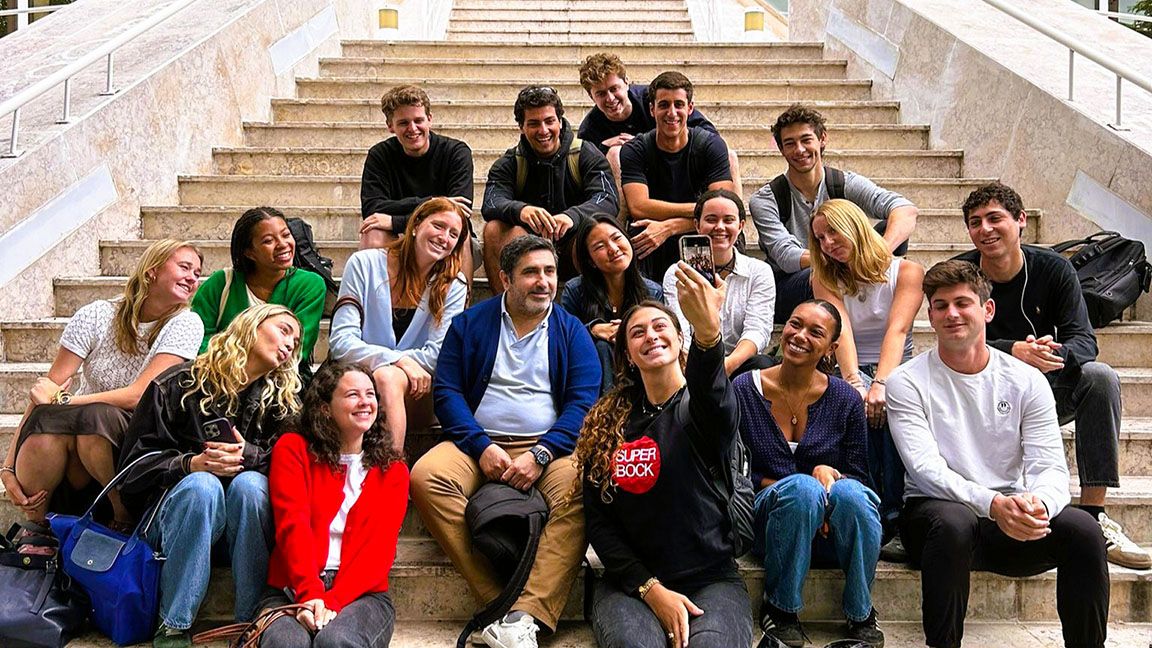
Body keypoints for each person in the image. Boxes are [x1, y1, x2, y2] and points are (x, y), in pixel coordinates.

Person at [887, 260, 1109, 648]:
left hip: (1010, 516)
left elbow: (1049, 466)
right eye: (941, 306)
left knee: (1085, 530)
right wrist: (993, 504)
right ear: (930, 316)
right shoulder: (906, 382)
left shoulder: (1026, 380)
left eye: (962, 303)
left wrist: (1039, 505)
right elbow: (924, 469)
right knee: (953, 523)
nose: (951, 314)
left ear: (987, 310)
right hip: (936, 515)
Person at [410, 235, 600, 648]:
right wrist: (481, 446)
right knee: (426, 476)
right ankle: (502, 606)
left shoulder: (571, 331)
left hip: (551, 448)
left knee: (582, 487)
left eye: (550, 272)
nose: (543, 282)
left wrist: (542, 452)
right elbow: (447, 393)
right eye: (531, 272)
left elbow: (584, 402)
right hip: (475, 444)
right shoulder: (469, 325)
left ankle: (526, 613)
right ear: (505, 278)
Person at [952, 182, 1147, 570]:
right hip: (980, 395)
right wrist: (1013, 351)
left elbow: (1084, 340)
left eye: (995, 218)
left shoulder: (1054, 269)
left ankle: (1094, 516)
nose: (985, 229)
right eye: (975, 222)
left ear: (1021, 220)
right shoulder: (962, 272)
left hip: (1044, 388)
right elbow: (953, 344)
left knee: (1100, 378)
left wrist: (1050, 354)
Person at [574, 267, 752, 648]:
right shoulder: (606, 423)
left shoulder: (703, 408)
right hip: (632, 584)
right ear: (627, 354)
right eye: (637, 332)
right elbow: (600, 523)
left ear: (679, 338)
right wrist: (651, 589)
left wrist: (708, 335)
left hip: (711, 578)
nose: (651, 336)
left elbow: (712, 389)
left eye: (660, 327)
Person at [116, 304, 304, 648]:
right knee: (202, 487)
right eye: (284, 330)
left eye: (296, 340)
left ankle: (249, 619)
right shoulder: (177, 384)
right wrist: (189, 465)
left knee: (250, 485)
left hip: (246, 533)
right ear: (251, 326)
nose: (291, 343)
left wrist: (249, 455)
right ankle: (174, 624)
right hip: (175, 528)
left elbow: (297, 472)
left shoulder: (284, 404)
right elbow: (131, 471)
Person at [0, 240, 203, 540]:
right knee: (49, 425)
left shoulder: (186, 323)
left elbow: (138, 396)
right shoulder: (96, 315)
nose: (192, 278)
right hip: (83, 445)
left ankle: (123, 515)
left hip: (133, 444)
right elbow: (45, 393)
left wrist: (66, 401)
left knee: (94, 418)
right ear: (152, 270)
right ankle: (39, 527)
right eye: (185, 267)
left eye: (197, 273)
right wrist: (7, 468)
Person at [733, 300, 883, 648]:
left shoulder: (845, 399)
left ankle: (861, 611)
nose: (800, 336)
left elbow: (859, 474)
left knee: (852, 494)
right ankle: (781, 608)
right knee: (801, 490)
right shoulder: (744, 389)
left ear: (831, 348)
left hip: (832, 531)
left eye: (815, 332)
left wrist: (830, 480)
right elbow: (735, 473)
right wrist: (804, 491)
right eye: (794, 324)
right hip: (769, 525)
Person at [259, 361, 408, 648]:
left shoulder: (393, 471)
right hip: (290, 588)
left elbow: (379, 553)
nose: (365, 402)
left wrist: (330, 602)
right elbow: (292, 525)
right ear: (325, 408)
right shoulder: (293, 449)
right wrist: (310, 594)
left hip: (362, 595)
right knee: (285, 643)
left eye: (370, 394)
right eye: (353, 394)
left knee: (336, 641)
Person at [809, 198, 924, 559]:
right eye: (820, 238)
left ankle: (895, 517)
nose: (827, 243)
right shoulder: (823, 277)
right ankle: (869, 512)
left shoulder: (907, 271)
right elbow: (840, 331)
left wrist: (882, 383)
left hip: (897, 366)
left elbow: (898, 330)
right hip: (848, 366)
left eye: (833, 232)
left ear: (855, 226)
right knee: (850, 405)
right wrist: (855, 384)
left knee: (895, 403)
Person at [749, 104, 919, 323]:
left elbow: (906, 210)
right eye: (790, 143)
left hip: (849, 269)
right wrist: (846, 258)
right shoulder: (766, 199)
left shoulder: (843, 183)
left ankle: (877, 306)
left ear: (822, 139)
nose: (799, 150)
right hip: (793, 285)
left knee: (889, 227)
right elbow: (787, 257)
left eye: (806, 140)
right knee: (819, 276)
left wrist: (877, 252)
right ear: (781, 149)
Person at [328, 197, 469, 452]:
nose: (444, 237)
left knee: (387, 377)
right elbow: (341, 342)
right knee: (385, 375)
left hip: (418, 392)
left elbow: (437, 356)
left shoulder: (454, 284)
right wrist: (398, 360)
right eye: (438, 226)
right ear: (415, 225)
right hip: (356, 383)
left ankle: (390, 470)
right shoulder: (363, 264)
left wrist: (392, 366)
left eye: (453, 234)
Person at [481, 85, 618, 287]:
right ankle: (506, 302)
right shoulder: (509, 163)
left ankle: (594, 305)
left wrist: (572, 217)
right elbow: (491, 202)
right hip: (528, 251)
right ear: (521, 127)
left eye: (549, 121)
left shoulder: (586, 153)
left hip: (575, 246)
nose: (543, 130)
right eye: (534, 123)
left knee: (597, 232)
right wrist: (521, 210)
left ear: (560, 122)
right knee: (494, 229)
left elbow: (607, 198)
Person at [618, 71, 736, 280]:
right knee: (640, 235)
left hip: (699, 230)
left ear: (690, 108)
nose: (671, 113)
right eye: (664, 105)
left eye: (679, 105)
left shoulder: (711, 145)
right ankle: (648, 297)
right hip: (655, 230)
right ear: (652, 109)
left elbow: (722, 208)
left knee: (722, 228)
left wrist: (670, 227)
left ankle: (715, 291)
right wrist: (701, 210)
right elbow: (639, 207)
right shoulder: (635, 149)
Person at [358, 84, 477, 282]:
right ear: (390, 126)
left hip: (444, 234)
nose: (412, 129)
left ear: (429, 119)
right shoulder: (379, 155)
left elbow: (459, 211)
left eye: (418, 120)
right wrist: (434, 201)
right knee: (373, 232)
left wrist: (395, 220)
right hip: (400, 237)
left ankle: (460, 301)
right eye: (403, 123)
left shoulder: (456, 152)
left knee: (457, 231)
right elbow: (373, 209)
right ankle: (378, 300)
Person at [190, 206, 326, 377]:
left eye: (286, 235)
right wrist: (231, 369)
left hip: (282, 378)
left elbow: (298, 348)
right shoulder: (222, 283)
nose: (283, 244)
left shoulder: (310, 285)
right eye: (268, 241)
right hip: (219, 374)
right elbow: (197, 337)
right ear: (249, 253)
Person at [662, 189, 775, 376]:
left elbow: (757, 330)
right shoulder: (678, 273)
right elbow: (679, 331)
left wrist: (725, 367)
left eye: (728, 220)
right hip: (692, 363)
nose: (720, 227)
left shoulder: (759, 271)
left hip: (737, 364)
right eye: (711, 220)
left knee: (763, 364)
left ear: (741, 226)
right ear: (697, 225)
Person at [560, 213, 664, 392]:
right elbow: (563, 338)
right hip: (591, 376)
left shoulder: (652, 291)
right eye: (600, 246)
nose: (613, 249)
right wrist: (593, 329)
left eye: (617, 238)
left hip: (640, 372)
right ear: (590, 261)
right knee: (602, 346)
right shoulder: (575, 290)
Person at [576, 52, 715, 154]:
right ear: (591, 97)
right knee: (615, 152)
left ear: (626, 83)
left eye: (614, 89)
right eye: (601, 94)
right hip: (627, 177)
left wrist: (645, 143)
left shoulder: (656, 99)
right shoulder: (589, 129)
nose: (610, 99)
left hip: (671, 162)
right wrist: (603, 147)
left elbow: (710, 134)